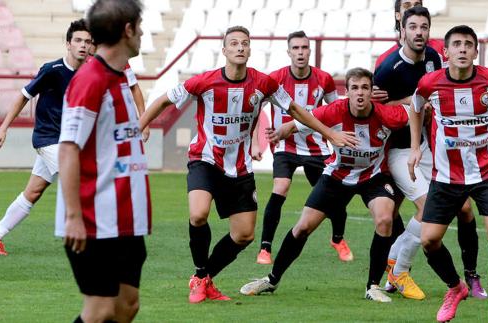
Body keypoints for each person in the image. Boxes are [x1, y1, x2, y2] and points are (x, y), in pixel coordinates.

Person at [139, 25, 357, 304]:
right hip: (205, 159)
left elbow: (296, 111)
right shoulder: (203, 82)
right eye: (234, 43)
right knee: (198, 214)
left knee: (244, 235)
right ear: (225, 50)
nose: (240, 47)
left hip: (240, 168)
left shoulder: (263, 83)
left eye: (245, 43)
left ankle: (204, 279)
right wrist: (140, 127)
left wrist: (329, 134)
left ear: (250, 49)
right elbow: (163, 101)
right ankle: (199, 274)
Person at [240, 67, 408, 303]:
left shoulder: (388, 115)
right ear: (346, 92)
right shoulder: (333, 110)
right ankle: (272, 279)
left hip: (374, 176)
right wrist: (282, 130)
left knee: (385, 219)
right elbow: (300, 122)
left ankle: (373, 286)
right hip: (337, 175)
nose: (360, 93)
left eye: (365, 88)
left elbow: (418, 111)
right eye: (355, 88)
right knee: (303, 227)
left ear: (372, 92)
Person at [408, 25, 488, 323]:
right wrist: (415, 146)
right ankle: (456, 288)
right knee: (429, 240)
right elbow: (415, 107)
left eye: (468, 44)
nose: (462, 49)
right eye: (456, 44)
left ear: (475, 51)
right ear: (445, 52)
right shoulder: (430, 83)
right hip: (446, 173)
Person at [374, 6, 486, 300]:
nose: (419, 33)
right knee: (427, 212)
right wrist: (408, 102)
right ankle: (400, 271)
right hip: (398, 152)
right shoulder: (387, 70)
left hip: (426, 146)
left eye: (424, 27)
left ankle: (395, 260)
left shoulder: (435, 58)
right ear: (403, 30)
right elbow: (376, 112)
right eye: (414, 27)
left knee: (461, 209)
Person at [57, 0, 151, 322]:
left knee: (127, 306)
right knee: (99, 311)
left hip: (126, 218)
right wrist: (73, 216)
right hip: (93, 218)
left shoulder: (121, 75)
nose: (141, 33)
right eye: (139, 26)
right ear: (127, 30)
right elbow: (68, 148)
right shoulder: (90, 80)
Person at [0, 19, 92, 256]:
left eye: (87, 41)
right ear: (68, 44)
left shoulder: (89, 74)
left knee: (32, 193)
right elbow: (23, 96)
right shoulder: (52, 71)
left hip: (68, 142)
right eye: (78, 40)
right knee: (82, 178)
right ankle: (88, 242)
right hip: (48, 139)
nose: (83, 45)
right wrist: (3, 129)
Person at [253, 30, 353, 265]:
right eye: (296, 48)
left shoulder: (324, 79)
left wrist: (342, 140)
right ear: (288, 52)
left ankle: (338, 239)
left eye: (304, 48)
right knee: (281, 186)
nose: (300, 52)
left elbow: (336, 110)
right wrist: (256, 142)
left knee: (334, 196)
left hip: (317, 148)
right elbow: (256, 109)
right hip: (285, 145)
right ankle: (265, 248)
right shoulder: (274, 79)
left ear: (310, 51)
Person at [375, 0, 446, 69]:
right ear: (398, 15)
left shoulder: (442, 49)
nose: (413, 9)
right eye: (407, 6)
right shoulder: (384, 59)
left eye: (417, 6)